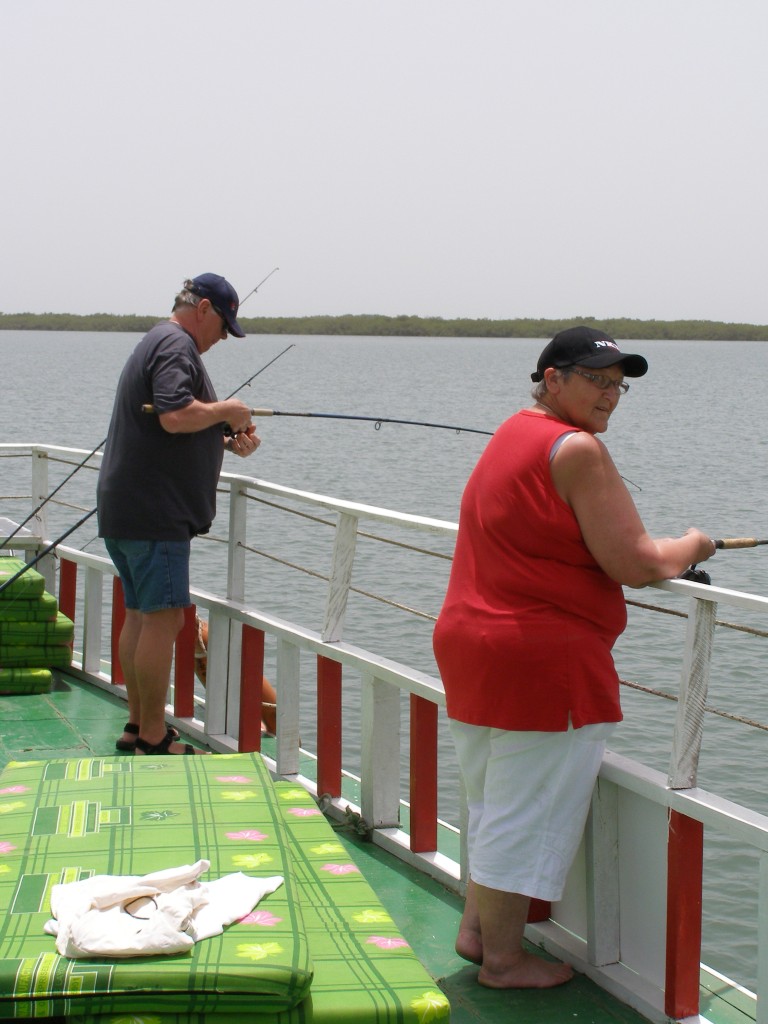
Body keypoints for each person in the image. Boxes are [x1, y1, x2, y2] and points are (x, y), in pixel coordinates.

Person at [432, 325, 716, 989]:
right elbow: (635, 563)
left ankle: (477, 931)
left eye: (619, 385)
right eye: (596, 379)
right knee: (522, 814)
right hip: (542, 660)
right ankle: (503, 961)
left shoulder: (514, 431)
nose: (610, 394)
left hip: (472, 643)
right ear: (552, 378)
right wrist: (694, 544)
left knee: (492, 800)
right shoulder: (579, 449)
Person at [97, 273, 260, 756]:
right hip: (156, 512)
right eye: (224, 326)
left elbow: (174, 423)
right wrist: (228, 408)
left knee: (139, 616)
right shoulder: (176, 345)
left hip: (127, 506)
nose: (223, 338)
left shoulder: (156, 339)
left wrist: (224, 437)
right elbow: (174, 415)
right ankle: (153, 736)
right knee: (164, 621)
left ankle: (136, 726)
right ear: (203, 309)